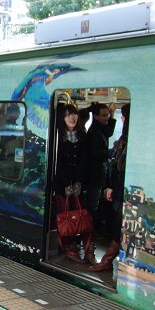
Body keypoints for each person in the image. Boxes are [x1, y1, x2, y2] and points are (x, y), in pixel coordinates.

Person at [90, 103, 129, 271]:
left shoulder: (125, 138)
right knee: (116, 221)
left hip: (120, 186)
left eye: (123, 116)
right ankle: (105, 261)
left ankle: (106, 262)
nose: (119, 118)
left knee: (119, 222)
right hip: (117, 185)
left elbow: (119, 166)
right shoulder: (95, 132)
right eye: (105, 115)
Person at [54, 104, 94, 263]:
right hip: (62, 185)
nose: (72, 118)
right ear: (62, 119)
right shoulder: (57, 136)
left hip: (80, 184)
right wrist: (66, 183)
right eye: (67, 115)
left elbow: (85, 161)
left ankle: (89, 249)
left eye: (74, 114)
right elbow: (58, 163)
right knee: (65, 217)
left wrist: (78, 182)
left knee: (84, 216)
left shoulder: (83, 136)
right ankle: (68, 247)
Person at [86, 102, 116, 232]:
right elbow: (96, 153)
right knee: (92, 205)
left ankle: (94, 229)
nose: (107, 118)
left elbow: (109, 132)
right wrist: (112, 151)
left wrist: (112, 115)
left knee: (97, 203)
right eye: (104, 115)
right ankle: (89, 231)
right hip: (94, 174)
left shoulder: (100, 128)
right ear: (96, 116)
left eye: (107, 115)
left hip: (100, 174)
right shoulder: (94, 132)